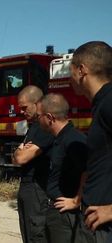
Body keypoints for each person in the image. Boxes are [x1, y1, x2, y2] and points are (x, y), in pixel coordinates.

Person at [69, 41, 112, 243]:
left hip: (105, 227)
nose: (69, 79)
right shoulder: (101, 104)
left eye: (70, 71)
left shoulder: (109, 102)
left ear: (81, 70)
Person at [36, 93, 88, 242]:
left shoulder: (73, 139)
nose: (37, 120)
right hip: (56, 210)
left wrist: (76, 200)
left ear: (50, 117)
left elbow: (89, 170)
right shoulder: (60, 138)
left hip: (65, 215)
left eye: (39, 116)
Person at [12, 85, 54, 243]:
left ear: (38, 103)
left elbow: (21, 159)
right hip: (26, 186)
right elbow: (16, 158)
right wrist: (19, 151)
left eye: (24, 107)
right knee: (27, 233)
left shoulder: (45, 127)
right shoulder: (33, 128)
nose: (21, 112)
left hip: (38, 188)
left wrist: (20, 152)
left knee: (37, 233)